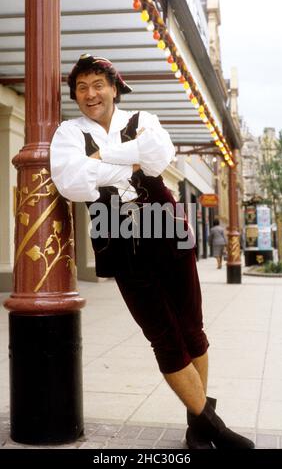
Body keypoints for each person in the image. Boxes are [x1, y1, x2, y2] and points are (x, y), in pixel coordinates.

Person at [50, 54, 254, 449]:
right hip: (116, 234)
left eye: (98, 84)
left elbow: (160, 156)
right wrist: (133, 161)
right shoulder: (67, 133)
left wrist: (101, 160)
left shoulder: (144, 119)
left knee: (192, 328)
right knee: (162, 335)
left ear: (114, 87)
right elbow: (73, 183)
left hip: (165, 225)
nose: (90, 94)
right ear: (76, 94)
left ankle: (197, 428)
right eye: (81, 87)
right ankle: (215, 428)